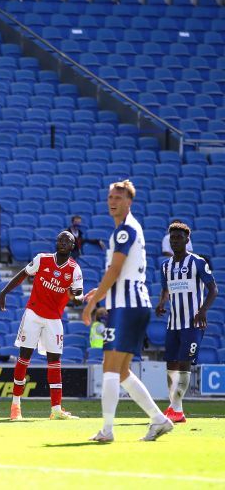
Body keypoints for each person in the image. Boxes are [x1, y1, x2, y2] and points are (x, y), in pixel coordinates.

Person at [82, 179, 174, 442]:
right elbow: (122, 274)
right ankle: (158, 419)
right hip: (132, 303)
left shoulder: (124, 231)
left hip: (127, 306)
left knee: (110, 368)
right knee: (120, 371)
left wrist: (93, 303)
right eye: (111, 197)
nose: (113, 201)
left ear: (129, 202)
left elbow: (115, 270)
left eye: (118, 198)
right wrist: (99, 292)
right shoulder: (129, 229)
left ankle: (107, 430)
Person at [0, 231, 83, 421]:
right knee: (24, 358)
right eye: (60, 239)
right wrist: (4, 292)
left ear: (72, 246)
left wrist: (75, 298)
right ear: (56, 243)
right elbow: (22, 275)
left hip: (54, 319)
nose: (62, 242)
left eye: (67, 240)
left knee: (55, 363)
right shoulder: (42, 259)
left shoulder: (75, 270)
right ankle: (15, 406)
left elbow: (77, 297)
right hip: (33, 315)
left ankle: (56, 410)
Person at [156, 222, 218, 423]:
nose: (174, 241)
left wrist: (202, 311)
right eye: (172, 238)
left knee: (184, 364)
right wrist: (161, 303)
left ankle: (176, 408)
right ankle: (176, 408)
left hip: (192, 324)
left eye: (178, 238)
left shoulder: (198, 262)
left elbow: (213, 289)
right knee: (171, 365)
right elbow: (166, 289)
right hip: (173, 323)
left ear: (187, 240)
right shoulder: (166, 266)